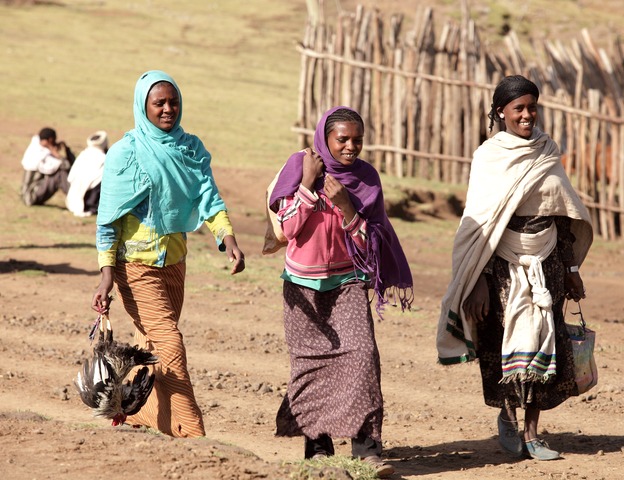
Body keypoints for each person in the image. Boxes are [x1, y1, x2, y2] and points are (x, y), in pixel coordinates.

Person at [436, 75, 593, 461]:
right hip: (500, 263)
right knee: (500, 338)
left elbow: (563, 213)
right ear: (500, 112)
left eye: (531, 107)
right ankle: (507, 416)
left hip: (549, 258)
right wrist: (479, 282)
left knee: (547, 336)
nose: (526, 115)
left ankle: (533, 431)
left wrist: (571, 267)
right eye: (518, 108)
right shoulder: (489, 157)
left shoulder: (547, 151)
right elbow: (480, 223)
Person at [90, 70, 245, 438]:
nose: (167, 109)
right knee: (169, 344)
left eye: (172, 101)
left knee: (151, 343)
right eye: (158, 102)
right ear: (143, 105)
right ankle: (193, 434)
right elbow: (108, 219)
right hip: (135, 266)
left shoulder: (190, 148)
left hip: (174, 263)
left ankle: (140, 413)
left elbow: (208, 196)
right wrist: (106, 273)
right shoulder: (125, 154)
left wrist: (228, 237)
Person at [270, 106, 413, 478]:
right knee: (311, 364)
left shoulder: (366, 179)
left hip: (347, 283)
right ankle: (318, 449)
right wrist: (307, 186)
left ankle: (367, 450)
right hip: (302, 287)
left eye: (357, 140)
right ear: (325, 138)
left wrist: (348, 208)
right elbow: (287, 229)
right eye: (342, 139)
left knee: (362, 355)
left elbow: (372, 245)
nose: (351, 147)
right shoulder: (300, 167)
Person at [20, 127, 75, 206]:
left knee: (60, 172)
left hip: (27, 193)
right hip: (30, 196)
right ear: (50, 140)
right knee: (60, 174)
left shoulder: (36, 146)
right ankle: (74, 197)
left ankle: (74, 196)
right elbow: (66, 165)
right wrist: (57, 154)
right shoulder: (42, 153)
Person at [66, 130, 108, 217]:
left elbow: (70, 177)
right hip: (90, 198)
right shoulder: (103, 158)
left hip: (73, 196)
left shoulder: (83, 154)